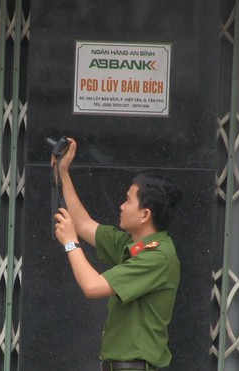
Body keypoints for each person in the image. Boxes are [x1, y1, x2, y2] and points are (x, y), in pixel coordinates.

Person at [52, 138, 183, 371]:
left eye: (128, 200)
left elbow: (92, 287)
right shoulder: (133, 243)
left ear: (145, 215)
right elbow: (82, 223)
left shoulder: (157, 257)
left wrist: (71, 244)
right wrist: (62, 172)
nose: (121, 206)